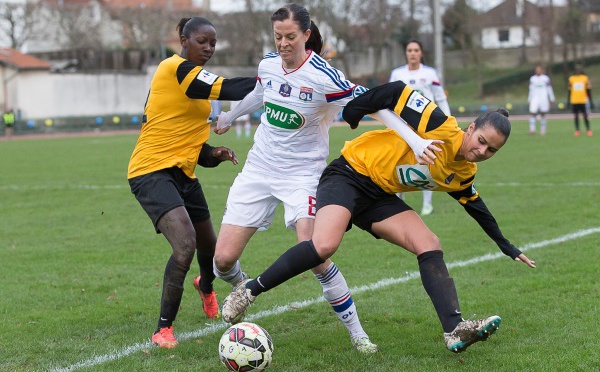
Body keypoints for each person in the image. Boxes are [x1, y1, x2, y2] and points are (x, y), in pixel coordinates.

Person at [221, 80, 537, 354]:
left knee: (428, 242)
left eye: (491, 150)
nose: (482, 151)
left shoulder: (464, 173)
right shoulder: (439, 126)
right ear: (471, 129)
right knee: (324, 246)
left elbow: (476, 207)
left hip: (378, 196)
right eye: (481, 141)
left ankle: (454, 329)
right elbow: (396, 92)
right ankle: (249, 290)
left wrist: (507, 246)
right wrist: (355, 111)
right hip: (348, 173)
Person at [213, 3, 381, 353]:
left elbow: (371, 102)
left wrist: (413, 133)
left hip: (303, 175)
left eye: (290, 37)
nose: (283, 43)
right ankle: (243, 288)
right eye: (278, 37)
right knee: (222, 261)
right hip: (258, 168)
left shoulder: (325, 76)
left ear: (306, 35)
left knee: (316, 254)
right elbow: (259, 93)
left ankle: (358, 333)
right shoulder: (268, 64)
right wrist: (231, 115)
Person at [127, 16, 256, 349]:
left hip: (183, 173)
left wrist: (216, 153)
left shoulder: (199, 92)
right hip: (151, 171)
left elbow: (197, 150)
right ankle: (163, 329)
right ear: (183, 40)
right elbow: (230, 88)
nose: (209, 48)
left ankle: (206, 287)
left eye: (213, 43)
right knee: (184, 245)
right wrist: (272, 78)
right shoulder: (175, 69)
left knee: (209, 247)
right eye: (202, 41)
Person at [388, 39, 450, 216]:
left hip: (426, 126)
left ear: (421, 53)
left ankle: (427, 204)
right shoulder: (397, 74)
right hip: (403, 126)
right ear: (406, 53)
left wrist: (447, 120)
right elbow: (389, 99)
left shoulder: (430, 74)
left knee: (426, 163)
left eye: (416, 50)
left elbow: (441, 98)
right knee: (397, 163)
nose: (413, 53)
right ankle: (398, 203)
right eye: (409, 50)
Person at [528, 65, 555, 135]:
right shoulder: (532, 79)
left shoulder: (545, 78)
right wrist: (529, 99)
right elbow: (530, 89)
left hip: (543, 98)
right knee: (532, 112)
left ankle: (542, 130)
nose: (538, 71)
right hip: (535, 98)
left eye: (539, 69)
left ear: (542, 70)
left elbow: (549, 88)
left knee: (543, 113)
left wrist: (552, 98)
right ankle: (532, 129)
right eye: (537, 70)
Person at [568, 65, 593, 136]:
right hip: (574, 100)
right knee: (576, 116)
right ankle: (577, 130)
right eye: (577, 70)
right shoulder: (571, 78)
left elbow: (588, 90)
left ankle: (588, 130)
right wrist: (568, 101)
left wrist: (590, 101)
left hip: (583, 100)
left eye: (579, 70)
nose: (578, 71)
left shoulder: (585, 78)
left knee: (585, 116)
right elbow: (569, 91)